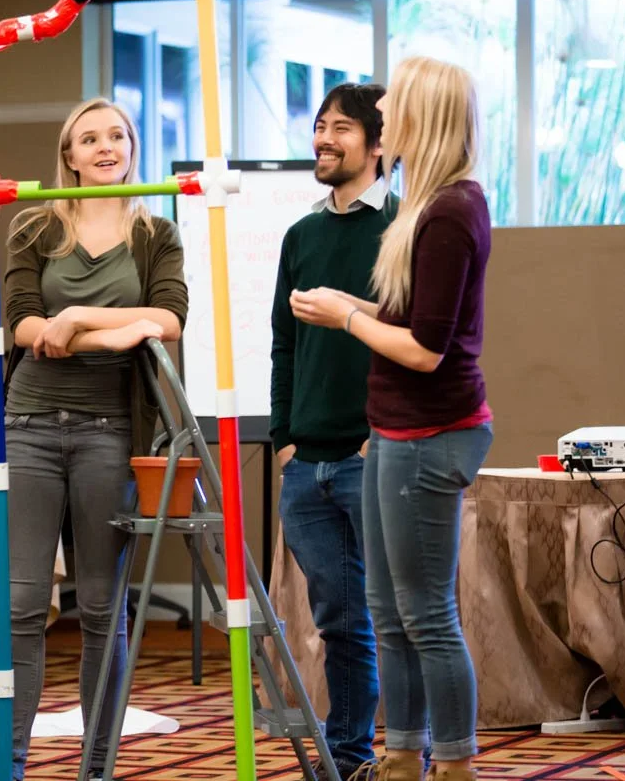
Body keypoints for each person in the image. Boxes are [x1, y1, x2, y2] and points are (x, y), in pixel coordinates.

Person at [290, 56, 494, 781]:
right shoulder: (428, 207)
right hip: (396, 434)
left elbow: (426, 350)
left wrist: (345, 317)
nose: (384, 117)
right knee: (390, 612)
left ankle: (455, 764)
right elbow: (410, 318)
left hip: (430, 435)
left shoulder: (451, 210)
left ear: (422, 117)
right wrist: (352, 306)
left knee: (427, 615)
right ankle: (404, 756)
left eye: (393, 106)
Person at [2, 97, 188, 780]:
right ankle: (9, 764)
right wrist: (113, 334)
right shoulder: (34, 225)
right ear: (70, 156)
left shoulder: (156, 232)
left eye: (117, 136)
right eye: (89, 139)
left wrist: (78, 316)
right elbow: (24, 325)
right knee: (23, 605)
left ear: (132, 149)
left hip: (110, 430)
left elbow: (169, 319)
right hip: (29, 424)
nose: (105, 147)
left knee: (104, 607)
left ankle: (97, 767)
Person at [270, 83, 397, 780]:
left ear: (378, 145)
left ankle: (418, 756)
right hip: (306, 464)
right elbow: (283, 344)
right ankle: (351, 758)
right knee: (340, 625)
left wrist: (383, 435)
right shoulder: (300, 235)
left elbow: (415, 334)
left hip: (374, 455)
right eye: (320, 125)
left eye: (341, 127)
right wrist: (286, 438)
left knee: (403, 620)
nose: (323, 138)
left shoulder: (404, 226)